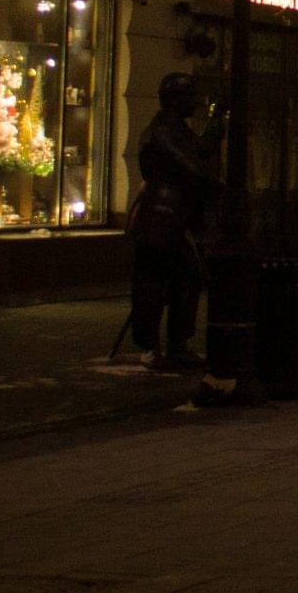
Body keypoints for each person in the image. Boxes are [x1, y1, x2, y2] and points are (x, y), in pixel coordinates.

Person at [125, 73, 216, 372]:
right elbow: (191, 166)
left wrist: (221, 119)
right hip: (160, 215)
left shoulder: (177, 129)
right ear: (176, 99)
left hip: (173, 214)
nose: (195, 103)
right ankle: (153, 346)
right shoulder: (163, 131)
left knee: (185, 279)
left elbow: (201, 151)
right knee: (157, 282)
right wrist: (215, 183)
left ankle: (176, 344)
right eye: (190, 97)